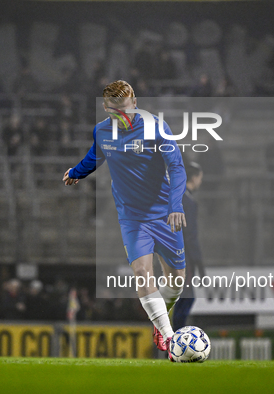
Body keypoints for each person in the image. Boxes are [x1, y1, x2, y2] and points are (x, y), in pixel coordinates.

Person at [63, 80, 187, 361]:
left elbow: (176, 167)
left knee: (177, 281)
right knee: (143, 273)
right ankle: (168, 338)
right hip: (132, 217)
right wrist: (77, 172)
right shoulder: (102, 131)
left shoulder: (156, 127)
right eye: (117, 110)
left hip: (164, 214)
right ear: (107, 109)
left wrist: (175, 205)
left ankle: (161, 318)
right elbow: (95, 158)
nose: (125, 115)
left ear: (135, 101)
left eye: (128, 107)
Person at [173, 162, 206, 331]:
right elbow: (191, 236)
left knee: (181, 299)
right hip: (183, 259)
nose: (200, 182)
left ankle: (171, 343)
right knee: (186, 299)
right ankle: (174, 342)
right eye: (200, 178)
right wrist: (199, 263)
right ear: (194, 178)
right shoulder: (189, 202)